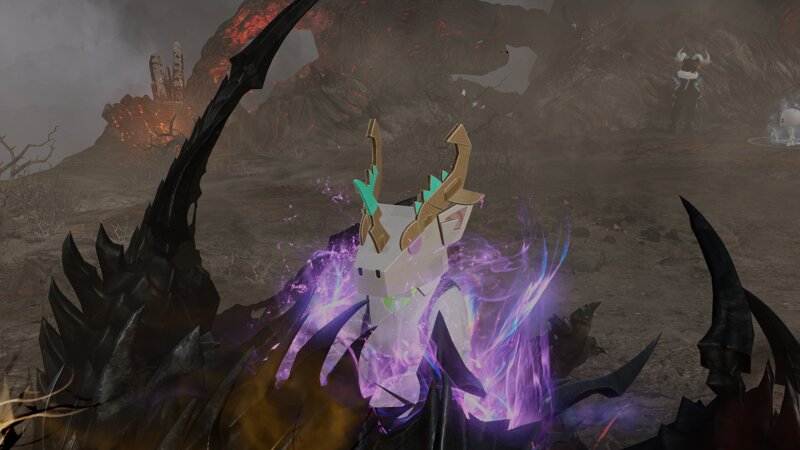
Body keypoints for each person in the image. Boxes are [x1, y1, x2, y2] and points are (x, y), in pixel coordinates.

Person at [668, 49, 710, 134]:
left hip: (680, 94)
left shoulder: (678, 74)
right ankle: (688, 127)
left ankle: (673, 126)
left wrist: (674, 91)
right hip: (693, 95)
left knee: (676, 108)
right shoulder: (697, 76)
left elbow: (674, 82)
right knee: (691, 109)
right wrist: (700, 94)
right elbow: (698, 85)